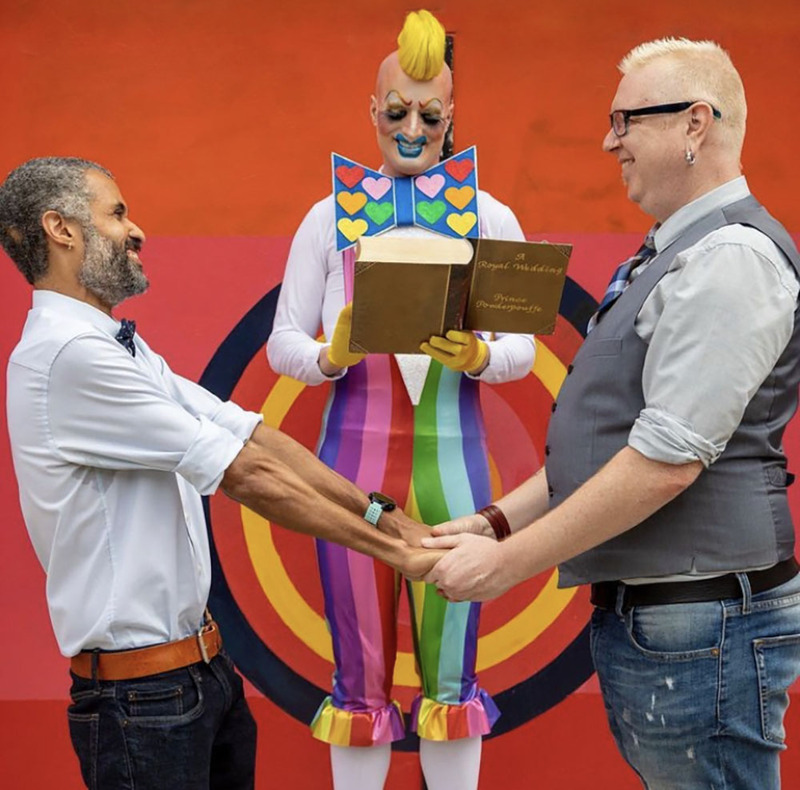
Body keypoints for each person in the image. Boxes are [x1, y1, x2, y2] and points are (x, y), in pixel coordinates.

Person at [424, 37, 800, 789]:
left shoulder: (732, 258)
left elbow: (664, 462)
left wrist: (505, 565)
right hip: (676, 624)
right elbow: (617, 443)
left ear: (696, 123)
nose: (609, 140)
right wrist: (498, 521)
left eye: (625, 119)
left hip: (700, 624)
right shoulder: (682, 251)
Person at [1, 156, 443, 790]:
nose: (136, 231)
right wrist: (398, 554)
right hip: (144, 704)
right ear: (61, 229)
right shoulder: (70, 356)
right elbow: (245, 474)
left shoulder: (115, 348)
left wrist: (384, 517)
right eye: (117, 212)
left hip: (198, 678)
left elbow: (251, 433)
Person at [266, 9, 534, 790]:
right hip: (349, 466)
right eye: (396, 110)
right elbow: (283, 342)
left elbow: (523, 350)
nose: (411, 127)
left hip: (455, 468)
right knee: (359, 675)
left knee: (452, 677)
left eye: (429, 112)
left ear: (453, 118)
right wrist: (332, 354)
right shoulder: (326, 218)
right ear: (371, 111)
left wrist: (481, 352)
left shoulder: (492, 216)